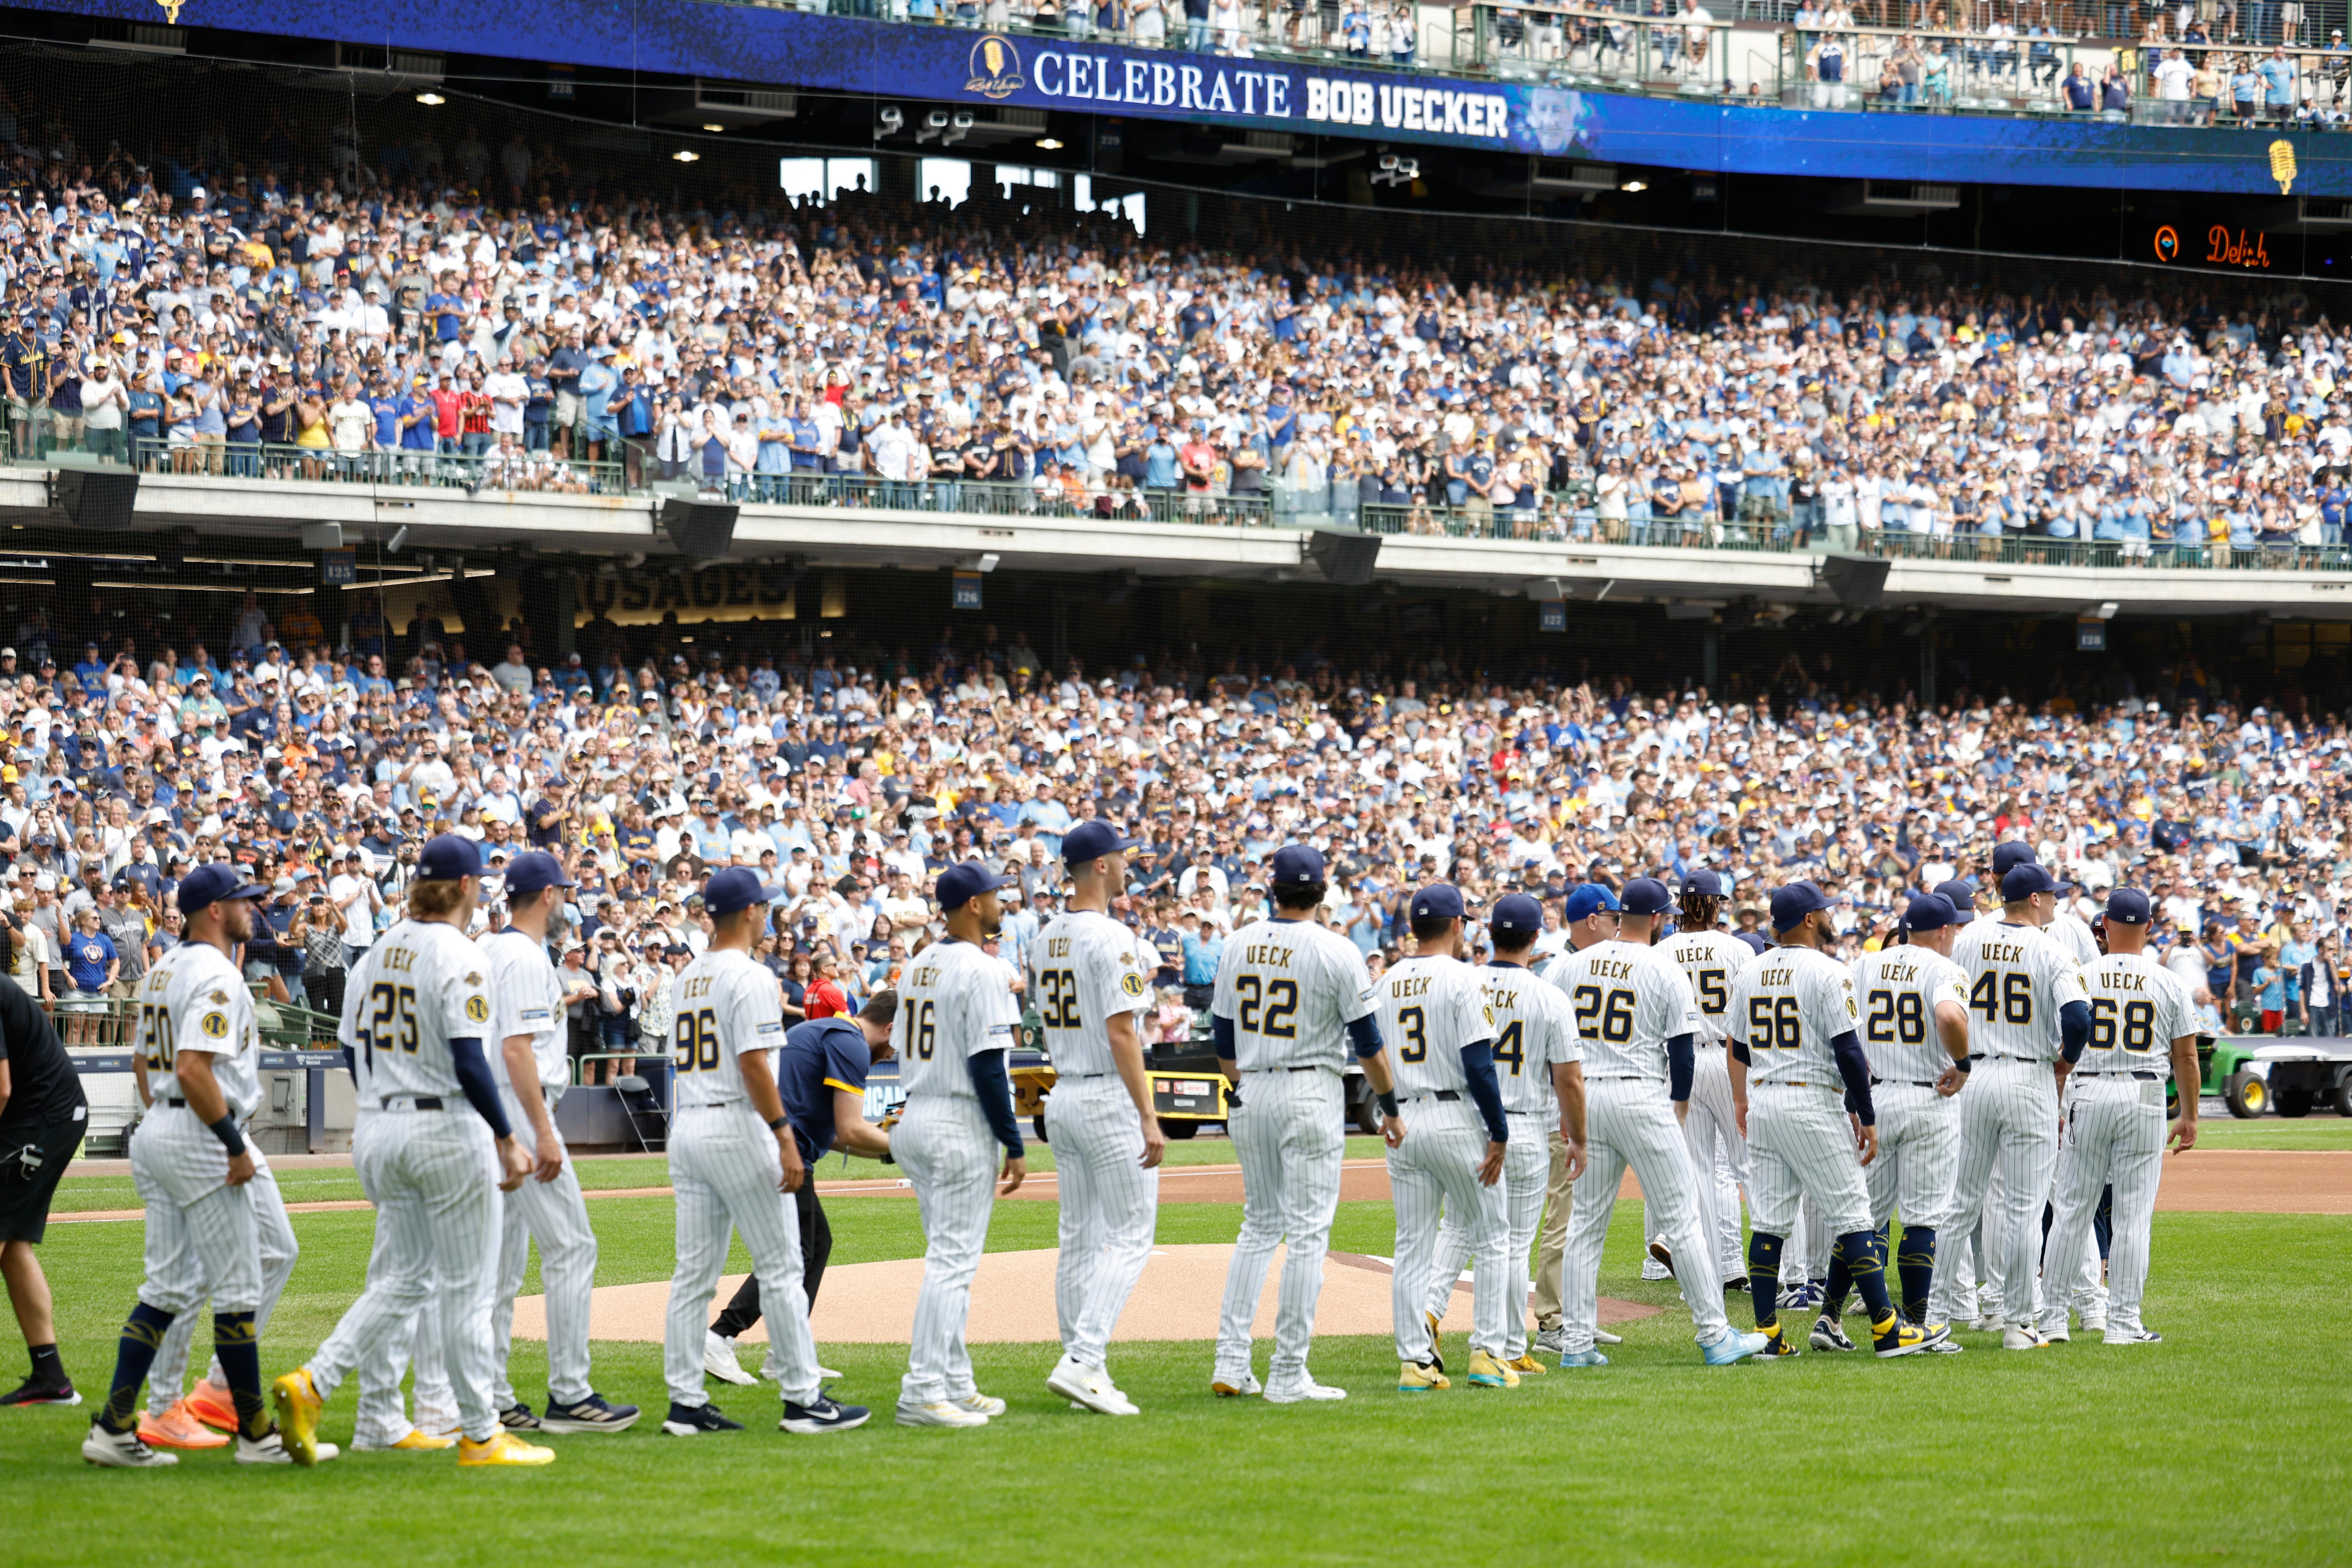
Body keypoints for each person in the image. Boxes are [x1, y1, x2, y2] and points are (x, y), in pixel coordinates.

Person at [270, 835, 550, 1468]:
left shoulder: (377, 950)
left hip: (379, 1124)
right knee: (467, 1289)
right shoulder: (461, 953)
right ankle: (481, 1434)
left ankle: (325, 1387)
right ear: (466, 887)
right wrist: (508, 1137)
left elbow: (349, 1047)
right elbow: (470, 1060)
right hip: (442, 1127)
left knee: (402, 1280)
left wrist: (381, 1098)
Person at [81, 863, 309, 1467]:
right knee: (235, 1288)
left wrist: (168, 1121)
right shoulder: (216, 973)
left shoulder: (164, 968)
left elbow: (143, 1064)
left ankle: (115, 1427)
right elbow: (191, 1068)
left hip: (164, 1124)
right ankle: (255, 1436)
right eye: (243, 901)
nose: (252, 909)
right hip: (203, 1129)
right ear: (215, 910)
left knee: (168, 1286)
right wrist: (231, 1145)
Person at [657, 866, 867, 1437]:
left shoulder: (688, 976)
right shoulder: (750, 975)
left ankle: (685, 1404)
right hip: (738, 1122)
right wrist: (782, 1134)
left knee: (693, 1274)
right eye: (765, 908)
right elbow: (753, 1063)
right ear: (749, 912)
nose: (770, 918)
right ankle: (803, 1399)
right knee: (783, 1264)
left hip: (690, 1121)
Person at [1210, 844, 1401, 1403]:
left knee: (1258, 1227)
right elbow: (1368, 1043)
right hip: (1309, 1086)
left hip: (1253, 1084)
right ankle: (1288, 1371)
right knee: (1308, 1233)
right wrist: (1390, 1106)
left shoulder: (1238, 941)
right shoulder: (1337, 948)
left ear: (1274, 889)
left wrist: (1244, 1085)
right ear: (1321, 890)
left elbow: (1223, 1037)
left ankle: (1231, 1360)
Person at [1549, 878, 1765, 1369]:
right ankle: (1715, 1334)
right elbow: (1681, 1051)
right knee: (1682, 1218)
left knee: (1585, 1225)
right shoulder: (1663, 967)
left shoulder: (1572, 966)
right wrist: (1679, 1106)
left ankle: (1577, 1343)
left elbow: (1554, 1048)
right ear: (1657, 918)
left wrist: (1565, 1109)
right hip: (1641, 1091)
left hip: (1589, 1093)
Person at [1726, 882, 1945, 1360]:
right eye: (1823, 910)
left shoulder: (1750, 970)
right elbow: (1847, 1050)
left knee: (1769, 1222)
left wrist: (1741, 1100)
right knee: (1853, 1216)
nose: (1829, 916)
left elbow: (1738, 1046)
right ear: (1808, 919)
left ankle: (1768, 1332)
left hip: (1765, 1098)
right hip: (1811, 1099)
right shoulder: (1828, 970)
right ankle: (1888, 1327)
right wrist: (1866, 1114)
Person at [481, 851, 637, 1434]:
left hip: (496, 1108)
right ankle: (570, 1394)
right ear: (547, 895)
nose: (569, 901)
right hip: (520, 1108)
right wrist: (542, 1132)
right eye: (565, 892)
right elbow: (516, 1049)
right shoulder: (523, 955)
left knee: (501, 1268)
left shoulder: (492, 948)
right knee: (572, 1246)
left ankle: (492, 1396)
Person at [1927, 863, 2093, 1348]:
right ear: (2035, 899)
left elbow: (1944, 1005)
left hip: (1976, 1074)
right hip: (2028, 1075)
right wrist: (2067, 1060)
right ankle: (2019, 1324)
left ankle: (1934, 1314)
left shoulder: (1968, 939)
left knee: (1961, 1202)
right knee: (2024, 1207)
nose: (2057, 900)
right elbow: (2078, 1017)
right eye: (2052, 894)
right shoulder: (2052, 948)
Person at [888, 862, 1027, 1427]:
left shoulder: (918, 963)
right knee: (952, 1264)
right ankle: (922, 1390)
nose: (1000, 903)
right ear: (973, 904)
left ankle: (955, 1381)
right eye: (994, 895)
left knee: (948, 1259)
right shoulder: (983, 968)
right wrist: (1013, 1141)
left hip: (917, 1112)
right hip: (957, 1119)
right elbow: (989, 1066)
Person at [703, 989, 899, 1386]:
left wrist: (891, 1148)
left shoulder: (830, 1032)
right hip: (777, 1151)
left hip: (772, 1146)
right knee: (794, 1253)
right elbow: (851, 1130)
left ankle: (787, 1353)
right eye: (902, 1042)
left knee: (815, 1244)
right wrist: (909, 1144)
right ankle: (720, 1336)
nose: (898, 1053)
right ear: (892, 1028)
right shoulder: (850, 1044)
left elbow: (834, 1135)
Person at [1034, 820, 1163, 1415]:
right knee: (1132, 1235)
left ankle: (1082, 1366)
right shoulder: (1112, 936)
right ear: (1103, 866)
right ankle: (1084, 1359)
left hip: (1064, 1089)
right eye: (1123, 857)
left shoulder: (1046, 936)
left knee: (1079, 1239)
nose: (1129, 865)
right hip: (1107, 1094)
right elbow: (1122, 1031)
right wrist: (1148, 1115)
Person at [1423, 892, 1580, 1379]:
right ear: (1536, 938)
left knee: (1458, 1227)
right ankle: (1505, 1346)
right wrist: (1578, 1134)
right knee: (1511, 1242)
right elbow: (1568, 1078)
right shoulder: (1548, 995)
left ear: (1489, 933)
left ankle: (1428, 1309)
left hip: (1469, 1121)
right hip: (1525, 1124)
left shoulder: (1462, 983)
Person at [2036, 889, 2199, 1347]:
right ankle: (2124, 1322)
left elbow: (2059, 1044)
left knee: (2072, 1210)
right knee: (2133, 1216)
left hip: (2088, 1087)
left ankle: (2053, 1318)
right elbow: (2187, 1056)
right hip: (2145, 1091)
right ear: (2149, 927)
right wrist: (2190, 1115)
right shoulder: (2168, 981)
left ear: (2104, 925)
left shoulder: (2081, 975)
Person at [1376, 883, 1515, 1392]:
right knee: (1492, 1234)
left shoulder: (1386, 981)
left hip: (1402, 1117)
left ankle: (1415, 1363)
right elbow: (1480, 1065)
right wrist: (1499, 1130)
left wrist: (1388, 1111)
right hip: (1454, 1114)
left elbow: (1374, 1054)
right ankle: (1488, 1353)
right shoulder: (1463, 978)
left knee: (1412, 1244)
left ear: (1415, 927)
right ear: (1458, 924)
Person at [1838, 893, 1972, 1338]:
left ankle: (1830, 1316)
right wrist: (1964, 1064)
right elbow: (1949, 1015)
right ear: (1945, 930)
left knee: (1862, 1217)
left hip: (1877, 1095)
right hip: (1928, 1094)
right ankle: (1916, 1323)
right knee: (1921, 1218)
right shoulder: (1944, 968)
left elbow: (1843, 1029)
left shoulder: (1866, 964)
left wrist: (1853, 1098)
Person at [1529, 886, 1622, 1357]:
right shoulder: (1559, 969)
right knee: (1562, 1218)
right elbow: (1551, 1054)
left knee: (1583, 1220)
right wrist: (1567, 1113)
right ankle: (1553, 1322)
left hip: (1581, 1105)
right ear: (1591, 920)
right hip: (1558, 1111)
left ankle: (1578, 1317)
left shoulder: (1572, 966)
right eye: (1612, 918)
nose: (1618, 925)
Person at [1655, 869, 1755, 1295]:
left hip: (1682, 1060)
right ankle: (1788, 1276)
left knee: (1697, 1173)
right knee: (1750, 1167)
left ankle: (1708, 1276)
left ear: (1683, 905)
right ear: (1715, 904)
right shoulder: (1738, 948)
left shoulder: (1662, 951)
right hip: (1729, 1056)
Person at [0, 970, 86, 1408]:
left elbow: (0, 1088)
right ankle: (51, 1378)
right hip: (36, 1115)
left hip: (43, 1116)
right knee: (12, 1244)